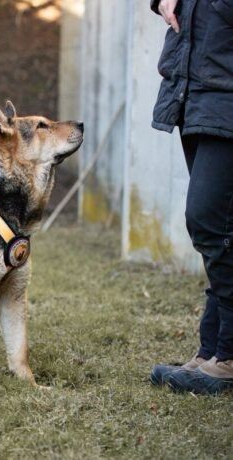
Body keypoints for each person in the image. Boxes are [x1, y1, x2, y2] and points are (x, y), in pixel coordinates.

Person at [149, 0, 233, 394]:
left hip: (225, 92)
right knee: (220, 226)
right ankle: (211, 351)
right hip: (194, 90)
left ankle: (228, 353)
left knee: (207, 220)